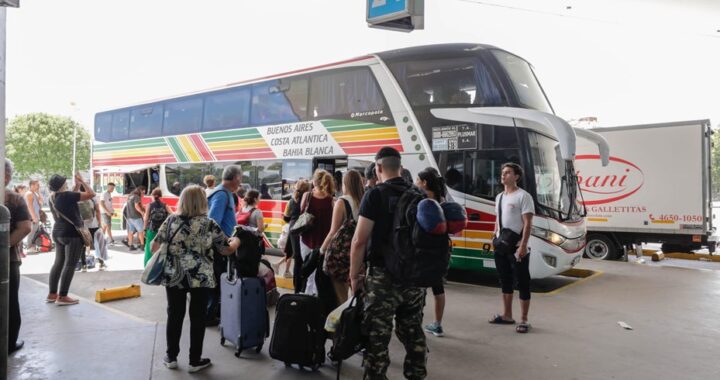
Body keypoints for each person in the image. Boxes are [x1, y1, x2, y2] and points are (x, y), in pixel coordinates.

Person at [349, 146, 428, 380]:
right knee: (413, 331)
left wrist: (354, 276)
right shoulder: (419, 195)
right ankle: (416, 374)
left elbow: (359, 240)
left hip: (382, 278)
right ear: (400, 167)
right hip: (413, 278)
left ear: (378, 168)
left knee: (377, 337)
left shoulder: (374, 195)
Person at [150, 185, 241, 373]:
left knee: (174, 315)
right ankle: (194, 360)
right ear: (202, 202)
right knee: (198, 317)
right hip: (201, 277)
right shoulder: (209, 224)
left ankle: (171, 356)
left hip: (175, 275)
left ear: (182, 200)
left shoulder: (170, 221)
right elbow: (226, 249)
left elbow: (154, 247)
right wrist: (237, 241)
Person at [488, 162, 535, 333]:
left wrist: (522, 245)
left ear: (516, 177)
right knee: (504, 280)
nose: (503, 175)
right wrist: (494, 236)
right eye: (502, 172)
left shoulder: (524, 196)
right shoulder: (500, 196)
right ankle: (507, 315)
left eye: (508, 172)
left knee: (523, 282)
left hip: (517, 248)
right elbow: (498, 219)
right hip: (501, 246)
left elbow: (528, 223)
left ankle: (524, 320)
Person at [46, 173, 96, 305]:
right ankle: (63, 296)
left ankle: (52, 294)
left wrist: (78, 184)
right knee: (70, 264)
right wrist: (84, 182)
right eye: (65, 182)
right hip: (72, 233)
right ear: (62, 185)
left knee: (58, 263)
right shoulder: (66, 196)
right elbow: (91, 194)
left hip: (58, 233)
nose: (67, 184)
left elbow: (71, 197)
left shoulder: (53, 197)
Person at [320, 169, 364, 305]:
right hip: (359, 254)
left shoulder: (342, 202)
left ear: (345, 184)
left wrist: (321, 250)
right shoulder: (364, 201)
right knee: (358, 295)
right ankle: (356, 321)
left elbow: (333, 231)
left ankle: (342, 323)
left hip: (341, 257)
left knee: (341, 297)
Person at [206, 164, 243, 326]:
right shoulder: (221, 194)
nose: (240, 182)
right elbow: (213, 222)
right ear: (235, 178)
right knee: (216, 281)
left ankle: (212, 312)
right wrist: (226, 242)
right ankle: (208, 315)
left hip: (222, 245)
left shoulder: (225, 193)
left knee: (219, 280)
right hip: (219, 247)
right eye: (240, 178)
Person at [415, 167, 450, 338]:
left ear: (424, 183)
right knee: (438, 287)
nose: (415, 183)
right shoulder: (442, 200)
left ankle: (415, 323)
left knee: (419, 287)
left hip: (423, 248)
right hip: (441, 248)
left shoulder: (421, 200)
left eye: (417, 180)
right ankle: (437, 324)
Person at [4, 159, 32, 354]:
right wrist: (3, 245)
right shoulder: (14, 199)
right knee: (9, 301)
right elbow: (26, 227)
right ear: (7, 176)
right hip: (7, 259)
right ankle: (9, 344)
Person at [299, 169, 334, 296]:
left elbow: (301, 213)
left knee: (309, 270)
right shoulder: (332, 200)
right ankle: (316, 297)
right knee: (319, 273)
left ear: (314, 181)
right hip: (324, 242)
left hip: (307, 239)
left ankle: (308, 297)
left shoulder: (306, 196)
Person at [284, 179, 310, 292]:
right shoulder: (309, 200)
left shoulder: (291, 201)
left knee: (297, 260)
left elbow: (286, 217)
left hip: (293, 230)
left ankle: (296, 288)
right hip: (304, 230)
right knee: (305, 259)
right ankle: (304, 287)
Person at [143, 188, 173, 266]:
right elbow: (173, 215)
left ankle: (148, 265)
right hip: (162, 230)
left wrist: (144, 229)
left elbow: (146, 218)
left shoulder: (149, 205)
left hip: (151, 230)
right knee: (161, 248)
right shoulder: (165, 205)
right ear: (161, 196)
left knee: (149, 248)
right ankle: (161, 265)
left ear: (153, 196)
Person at [24, 179, 43, 253]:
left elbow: (41, 202)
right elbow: (30, 206)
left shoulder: (34, 193)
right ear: (31, 185)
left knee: (34, 231)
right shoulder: (29, 194)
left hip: (35, 216)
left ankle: (31, 246)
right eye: (37, 185)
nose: (38, 186)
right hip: (32, 217)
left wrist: (38, 192)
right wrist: (34, 217)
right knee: (32, 232)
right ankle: (29, 247)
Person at [124, 186, 146, 251]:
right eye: (143, 192)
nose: (143, 194)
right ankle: (142, 246)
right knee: (141, 231)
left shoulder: (130, 196)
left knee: (130, 231)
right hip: (136, 217)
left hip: (129, 217)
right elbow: (136, 206)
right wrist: (142, 212)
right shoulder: (136, 196)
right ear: (140, 191)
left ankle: (131, 246)